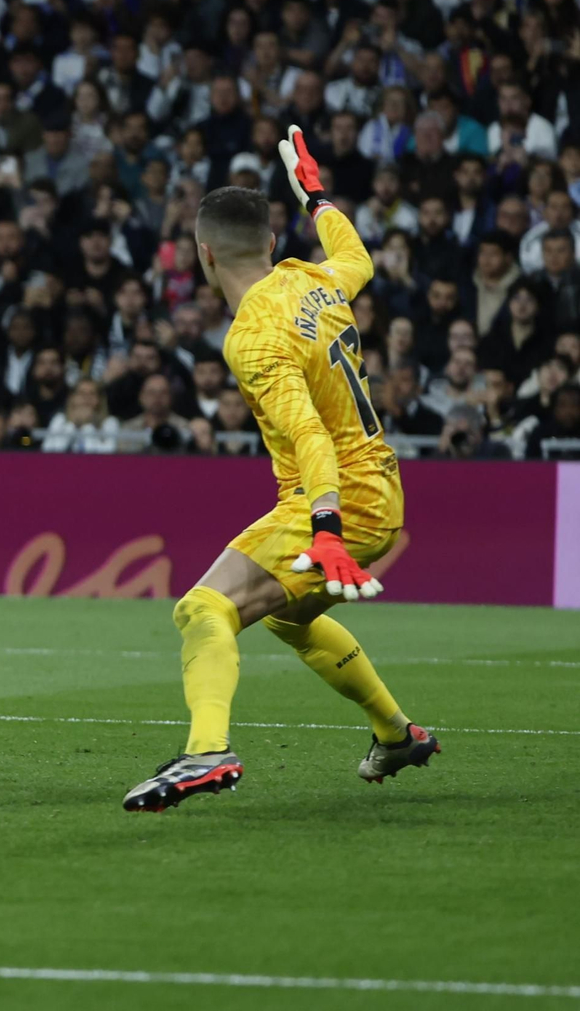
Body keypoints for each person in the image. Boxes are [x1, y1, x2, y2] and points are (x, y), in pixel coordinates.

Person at [124, 128, 437, 814]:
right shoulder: (314, 279)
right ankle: (397, 732)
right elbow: (358, 256)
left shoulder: (252, 335)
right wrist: (316, 196)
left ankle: (208, 750)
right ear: (270, 245)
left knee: (202, 607)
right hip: (381, 489)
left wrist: (324, 527)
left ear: (204, 254)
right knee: (285, 619)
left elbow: (308, 433)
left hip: (337, 499)